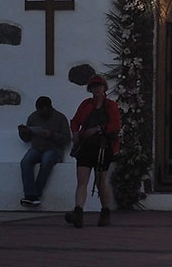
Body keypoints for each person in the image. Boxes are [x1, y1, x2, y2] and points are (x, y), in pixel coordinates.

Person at [67, 74, 120, 228]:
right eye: (94, 86)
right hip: (86, 146)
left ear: (104, 88)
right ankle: (78, 211)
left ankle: (105, 212)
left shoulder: (111, 106)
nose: (96, 89)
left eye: (99, 86)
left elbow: (115, 126)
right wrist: (75, 133)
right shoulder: (85, 104)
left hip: (103, 146)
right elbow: (75, 121)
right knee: (82, 180)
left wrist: (97, 129)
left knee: (100, 180)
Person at [18, 95, 70, 207]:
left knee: (47, 160)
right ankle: (30, 194)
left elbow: (67, 139)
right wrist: (23, 132)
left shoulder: (60, 118)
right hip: (37, 148)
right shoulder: (33, 117)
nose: (41, 113)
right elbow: (27, 139)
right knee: (25, 161)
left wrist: (52, 135)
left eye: (43, 110)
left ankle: (34, 193)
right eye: (39, 110)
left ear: (49, 108)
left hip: (54, 149)